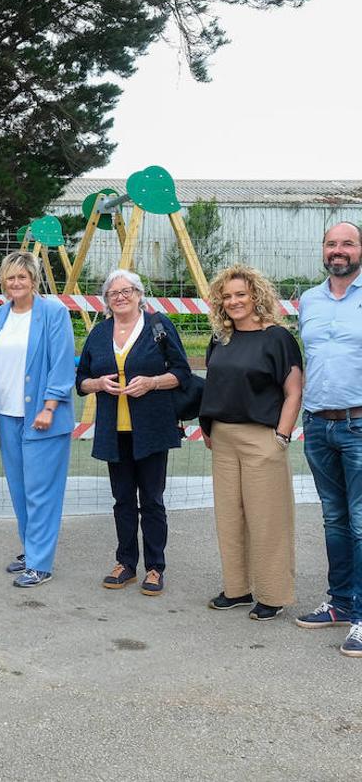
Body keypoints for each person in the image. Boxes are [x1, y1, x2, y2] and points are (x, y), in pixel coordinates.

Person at [76, 269, 189, 596]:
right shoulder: (99, 334)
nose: (120, 296)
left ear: (140, 294)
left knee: (152, 500)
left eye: (127, 291)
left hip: (152, 429)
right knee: (122, 499)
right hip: (115, 431)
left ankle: (155, 567)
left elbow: (181, 371)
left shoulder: (158, 326)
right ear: (107, 300)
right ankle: (125, 562)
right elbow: (80, 380)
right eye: (113, 293)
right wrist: (96, 384)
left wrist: (152, 383)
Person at [200, 264, 302, 621]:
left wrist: (282, 437)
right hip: (223, 439)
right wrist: (211, 429)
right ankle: (237, 589)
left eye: (241, 294)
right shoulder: (220, 339)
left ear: (256, 295)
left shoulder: (278, 338)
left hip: (262, 438)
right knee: (229, 519)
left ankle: (273, 594)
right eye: (227, 296)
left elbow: (293, 391)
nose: (234, 301)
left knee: (267, 519)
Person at [0, 251, 75, 588]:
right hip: (6, 415)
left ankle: (41, 563)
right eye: (9, 277)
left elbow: (62, 364)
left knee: (41, 492)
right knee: (19, 490)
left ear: (33, 280)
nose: (15, 283)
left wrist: (50, 406)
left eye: (22, 277)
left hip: (41, 416)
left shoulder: (53, 313)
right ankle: (31, 550)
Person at [296, 221, 362, 656]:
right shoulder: (309, 300)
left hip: (360, 424)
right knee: (335, 519)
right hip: (318, 425)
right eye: (332, 243)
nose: (339, 250)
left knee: (360, 521)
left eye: (348, 243)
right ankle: (339, 602)